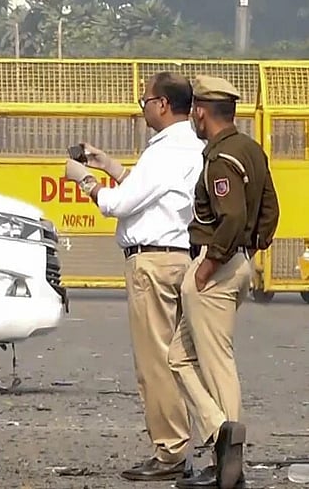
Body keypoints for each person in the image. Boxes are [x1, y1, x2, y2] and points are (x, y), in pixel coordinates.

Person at [64, 72, 204, 482]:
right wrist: (108, 165)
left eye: (145, 101)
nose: (142, 108)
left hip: (152, 264)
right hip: (178, 259)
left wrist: (84, 180)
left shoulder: (165, 151)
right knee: (181, 358)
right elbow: (150, 195)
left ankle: (170, 450)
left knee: (156, 363)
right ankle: (199, 440)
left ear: (163, 104)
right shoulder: (190, 147)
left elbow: (118, 204)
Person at [167, 75, 279, 489]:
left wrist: (209, 264)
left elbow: (231, 216)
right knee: (179, 358)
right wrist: (254, 244)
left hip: (217, 266)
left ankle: (226, 458)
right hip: (238, 260)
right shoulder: (250, 150)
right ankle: (219, 432)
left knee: (216, 363)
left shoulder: (220, 159)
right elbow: (270, 209)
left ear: (200, 112)